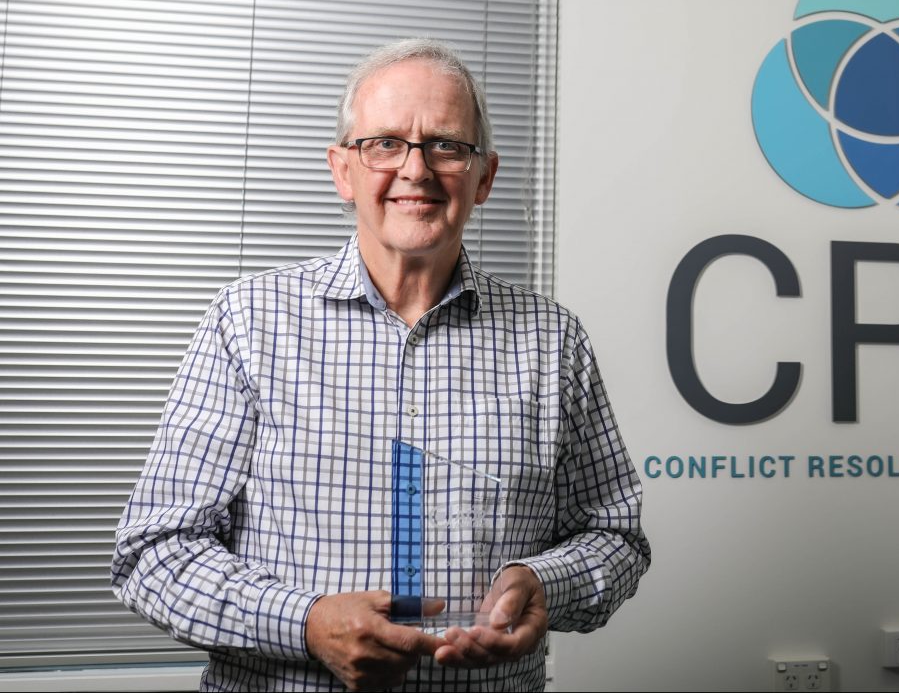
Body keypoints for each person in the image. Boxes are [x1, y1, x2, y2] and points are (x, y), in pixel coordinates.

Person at [111, 38, 650, 691]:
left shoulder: (553, 343)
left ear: (485, 177)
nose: (416, 169)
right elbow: (154, 552)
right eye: (385, 143)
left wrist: (545, 583)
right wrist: (305, 622)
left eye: (446, 144)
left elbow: (615, 537)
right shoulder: (247, 322)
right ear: (344, 170)